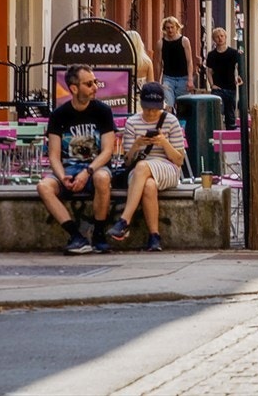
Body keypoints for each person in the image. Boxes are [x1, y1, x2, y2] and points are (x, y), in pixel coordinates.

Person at [38, 65, 117, 254]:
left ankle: (99, 234)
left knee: (102, 178)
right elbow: (54, 155)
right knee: (43, 186)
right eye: (89, 84)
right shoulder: (59, 115)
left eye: (95, 82)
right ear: (74, 88)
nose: (95, 87)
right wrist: (62, 176)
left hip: (95, 168)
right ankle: (76, 236)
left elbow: (107, 151)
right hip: (69, 169)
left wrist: (87, 172)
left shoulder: (103, 111)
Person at [108, 83, 187, 252]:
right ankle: (154, 236)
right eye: (147, 109)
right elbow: (128, 162)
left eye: (155, 109)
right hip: (138, 172)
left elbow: (179, 160)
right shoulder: (133, 122)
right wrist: (136, 145)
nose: (151, 113)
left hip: (167, 167)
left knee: (143, 167)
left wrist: (164, 142)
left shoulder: (171, 121)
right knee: (148, 185)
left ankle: (124, 221)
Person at [203, 27, 243, 130]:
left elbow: (240, 67)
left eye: (222, 36)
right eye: (217, 37)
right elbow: (209, 71)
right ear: (213, 39)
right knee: (216, 112)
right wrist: (212, 85)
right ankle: (216, 133)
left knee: (230, 113)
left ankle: (230, 135)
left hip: (230, 87)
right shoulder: (211, 55)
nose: (220, 38)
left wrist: (239, 77)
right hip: (217, 88)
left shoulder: (234, 53)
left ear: (225, 37)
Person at [157, 16, 197, 108]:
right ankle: (170, 121)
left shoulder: (184, 41)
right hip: (168, 78)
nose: (170, 30)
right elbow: (159, 63)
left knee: (182, 106)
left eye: (172, 27)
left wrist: (190, 79)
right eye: (168, 27)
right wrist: (158, 80)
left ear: (177, 27)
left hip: (183, 78)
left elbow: (189, 61)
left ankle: (180, 122)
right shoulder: (161, 43)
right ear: (164, 29)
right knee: (168, 104)